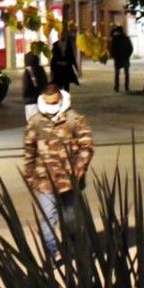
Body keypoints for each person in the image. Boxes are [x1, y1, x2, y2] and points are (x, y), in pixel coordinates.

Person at [21, 83, 94, 260]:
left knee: (71, 222)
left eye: (55, 103)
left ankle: (73, 252)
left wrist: (80, 167)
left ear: (61, 100)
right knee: (47, 222)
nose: (52, 107)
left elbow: (87, 145)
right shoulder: (36, 121)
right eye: (49, 103)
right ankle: (51, 255)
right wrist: (29, 176)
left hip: (69, 181)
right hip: (45, 181)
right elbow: (29, 151)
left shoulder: (74, 119)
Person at [21, 49, 47, 122]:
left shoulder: (27, 71)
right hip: (40, 98)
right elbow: (45, 82)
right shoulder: (40, 69)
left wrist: (24, 95)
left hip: (30, 100)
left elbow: (25, 86)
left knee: (31, 120)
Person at [109, 24, 134, 93]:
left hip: (118, 58)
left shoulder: (115, 38)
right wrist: (128, 55)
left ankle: (117, 87)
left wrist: (114, 56)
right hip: (125, 57)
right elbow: (131, 48)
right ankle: (126, 87)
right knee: (126, 73)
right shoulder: (126, 38)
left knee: (117, 73)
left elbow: (112, 49)